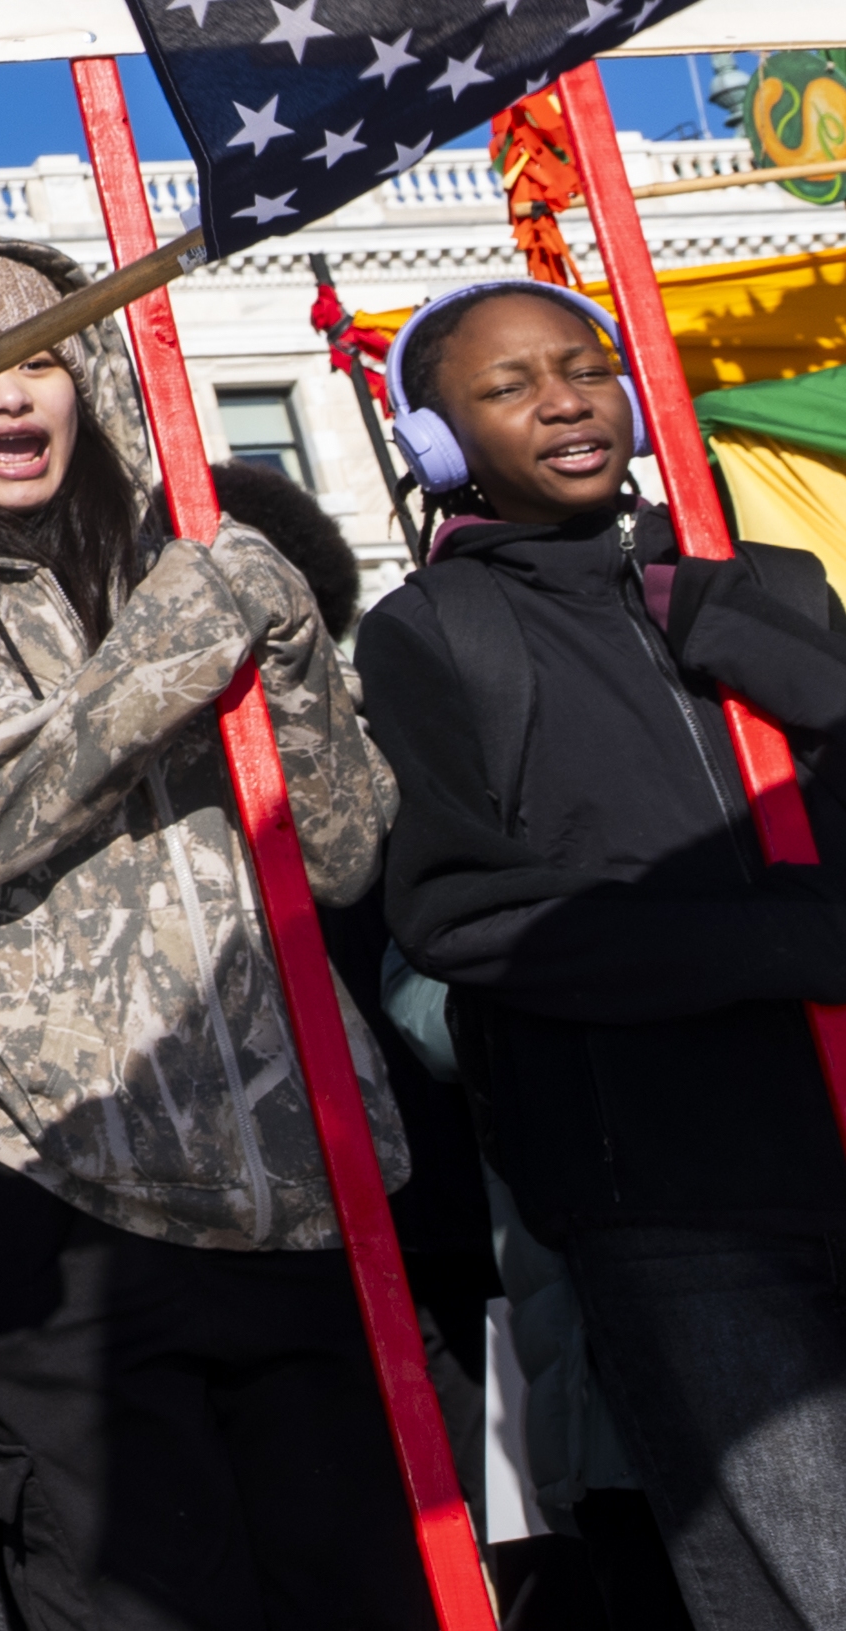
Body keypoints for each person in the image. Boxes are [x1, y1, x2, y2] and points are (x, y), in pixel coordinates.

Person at [0, 235, 424, 1631]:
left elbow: (338, 851)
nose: (8, 397)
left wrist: (282, 653)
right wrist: (186, 635)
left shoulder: (193, 557)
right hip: (61, 1198)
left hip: (301, 1183)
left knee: (362, 1593)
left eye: (39, 354)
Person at [358, 275, 846, 1631]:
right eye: (508, 384)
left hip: (838, 1112)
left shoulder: (767, 583)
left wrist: (797, 671)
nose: (564, 396)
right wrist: (779, 942)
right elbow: (464, 914)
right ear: (440, 443)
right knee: (803, 1573)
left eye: (582, 363)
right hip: (674, 1193)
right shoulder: (431, 633)